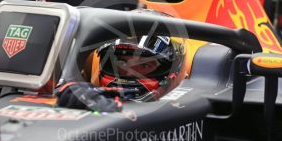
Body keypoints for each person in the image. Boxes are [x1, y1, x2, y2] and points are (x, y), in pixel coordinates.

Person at [57, 35, 186, 112]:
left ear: (172, 73)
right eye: (121, 63)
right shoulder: (85, 97)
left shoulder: (188, 110)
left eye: (144, 65)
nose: (129, 73)